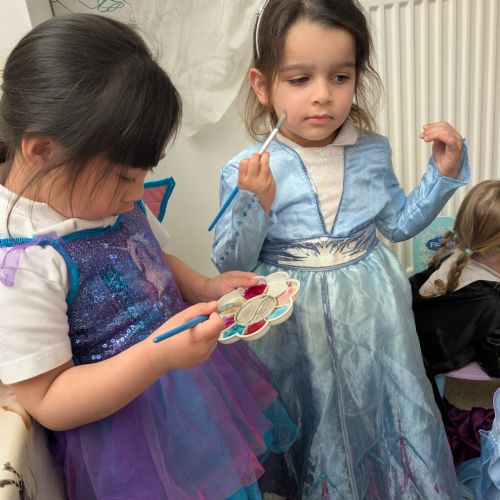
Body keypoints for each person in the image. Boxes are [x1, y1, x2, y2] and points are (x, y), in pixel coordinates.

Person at [0, 14, 297, 500]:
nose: (137, 193)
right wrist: (158, 357)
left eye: (143, 175)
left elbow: (153, 256)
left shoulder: (103, 198)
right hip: (128, 442)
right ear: (41, 151)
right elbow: (49, 399)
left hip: (191, 398)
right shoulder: (21, 262)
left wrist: (202, 286)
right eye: (124, 177)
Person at [211, 0, 470, 498]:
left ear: (357, 78)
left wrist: (441, 175)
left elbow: (398, 225)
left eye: (340, 77)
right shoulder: (248, 168)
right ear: (262, 85)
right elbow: (231, 264)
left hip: (374, 316)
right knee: (312, 416)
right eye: (299, 79)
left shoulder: (372, 150)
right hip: (294, 323)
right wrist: (253, 202)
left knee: (379, 405)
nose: (323, 95)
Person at [411, 180, 500, 380]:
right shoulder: (494, 301)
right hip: (420, 362)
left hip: (408, 330)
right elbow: (493, 363)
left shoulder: (454, 254)